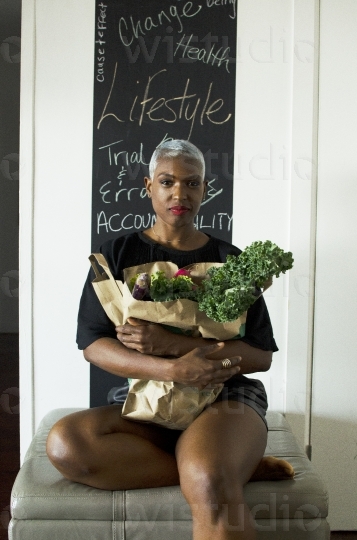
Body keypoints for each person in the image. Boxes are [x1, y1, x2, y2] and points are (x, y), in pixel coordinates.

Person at [46, 139, 294, 540]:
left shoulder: (234, 261)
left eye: (192, 183)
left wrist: (177, 346)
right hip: (151, 398)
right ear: (148, 187)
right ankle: (239, 466)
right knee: (67, 444)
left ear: (205, 190)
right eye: (167, 182)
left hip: (225, 400)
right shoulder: (117, 253)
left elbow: (260, 356)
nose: (180, 193)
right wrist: (171, 368)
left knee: (209, 480)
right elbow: (93, 344)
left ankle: (218, 465)